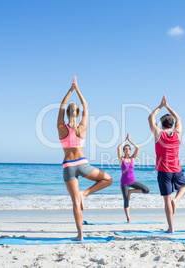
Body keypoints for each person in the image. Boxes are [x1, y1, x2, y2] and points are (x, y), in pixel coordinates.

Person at [57, 76, 113, 241]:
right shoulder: (82, 127)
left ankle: (80, 235)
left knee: (75, 202)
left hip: (68, 166)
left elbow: (60, 107)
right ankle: (86, 193)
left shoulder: (61, 127)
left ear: (67, 113)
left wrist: (70, 90)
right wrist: (78, 89)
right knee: (108, 180)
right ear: (78, 113)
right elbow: (86, 106)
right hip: (82, 164)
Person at [148, 95, 185, 233]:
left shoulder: (159, 133)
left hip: (164, 171)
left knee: (166, 200)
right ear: (171, 124)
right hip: (177, 168)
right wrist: (168, 107)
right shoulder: (177, 134)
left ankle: (171, 228)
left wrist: (160, 106)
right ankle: (176, 201)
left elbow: (150, 118)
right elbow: (179, 119)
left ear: (162, 124)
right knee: (183, 187)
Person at [117, 133, 150, 223]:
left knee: (146, 190)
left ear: (130, 151)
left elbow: (138, 148)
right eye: (126, 149)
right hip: (124, 183)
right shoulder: (121, 159)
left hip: (132, 181)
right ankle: (128, 218)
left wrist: (130, 141)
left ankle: (131, 191)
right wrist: (125, 141)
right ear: (124, 151)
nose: (127, 150)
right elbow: (118, 148)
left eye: (128, 149)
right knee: (126, 201)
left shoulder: (133, 159)